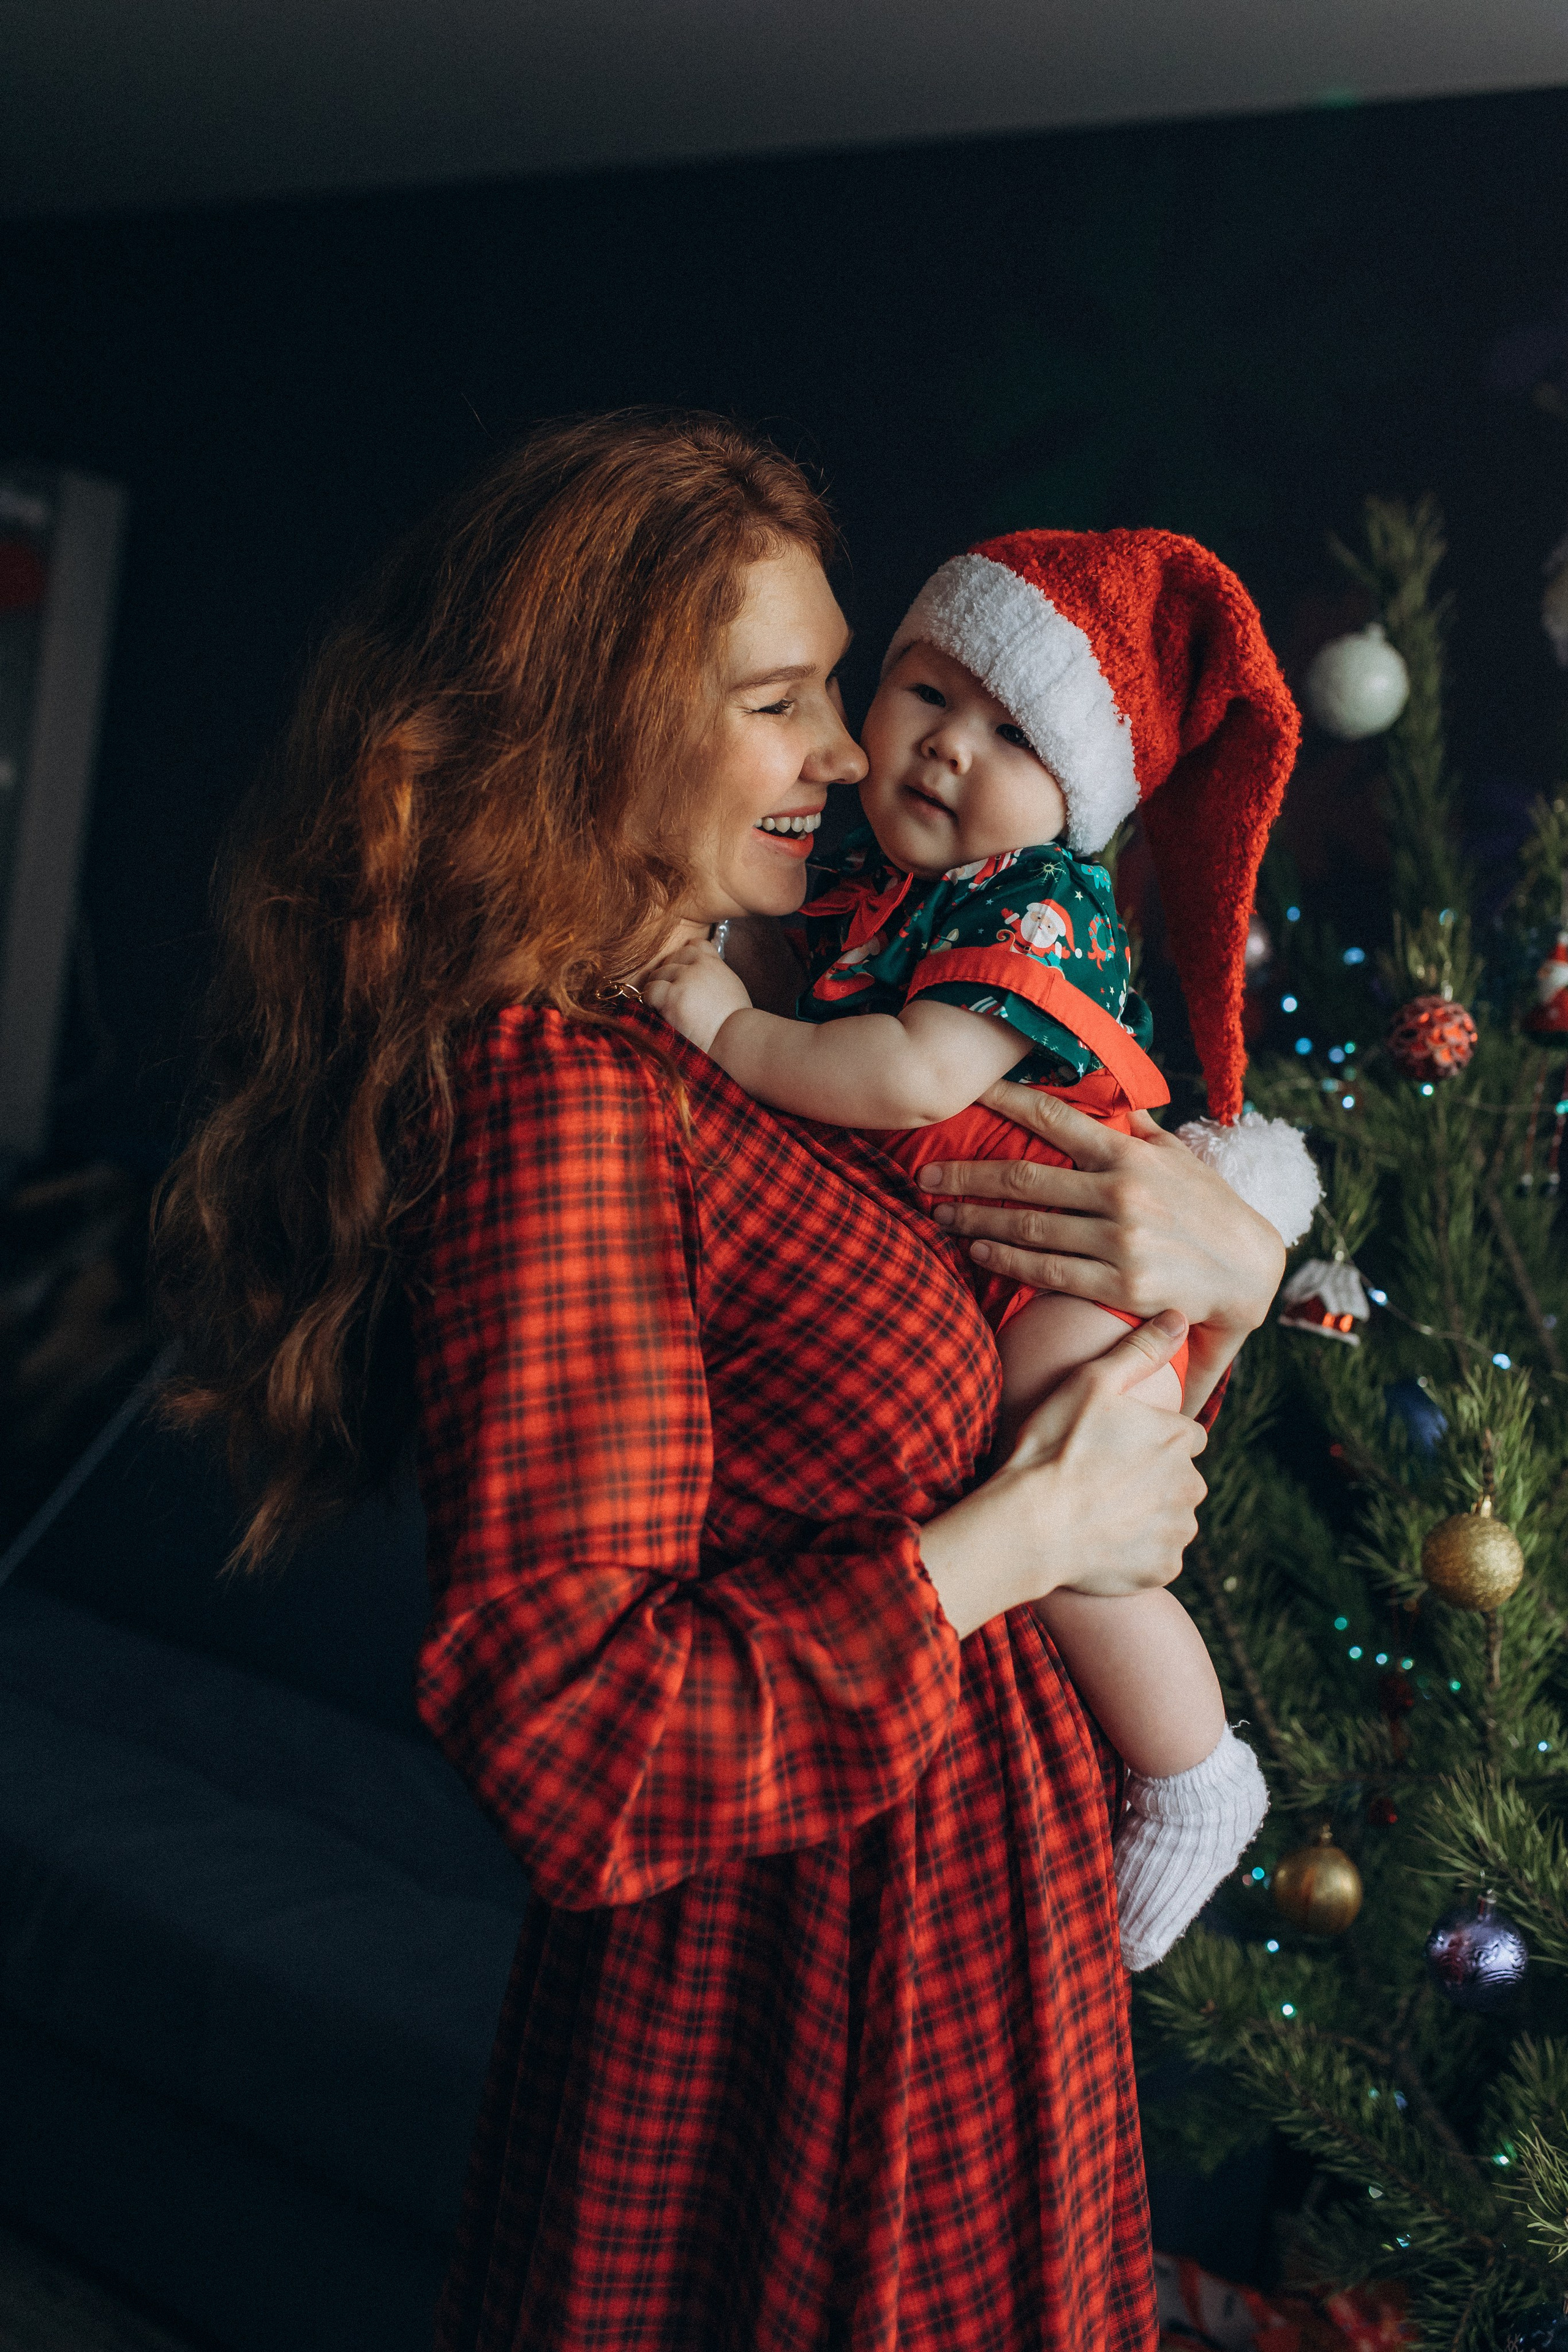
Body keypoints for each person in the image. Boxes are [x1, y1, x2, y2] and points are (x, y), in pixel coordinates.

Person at [153, 413, 1287, 2352]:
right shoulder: (561, 1101)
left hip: (976, 1963)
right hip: (801, 2031)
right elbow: (573, 1740)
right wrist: (1014, 1545)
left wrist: (1231, 1274)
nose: (855, 752)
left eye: (845, 686)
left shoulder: (783, 1025)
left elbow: (1054, 1410)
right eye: (784, 699)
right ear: (592, 730)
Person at [645, 529, 1322, 1967]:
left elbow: (898, 1080)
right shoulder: (873, 884)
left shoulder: (1036, 902)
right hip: (1008, 1253)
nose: (948, 748)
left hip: (1071, 1263)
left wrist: (723, 1025)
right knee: (1049, 1492)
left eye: (1011, 732)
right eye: (923, 693)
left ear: (1077, 796)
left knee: (1069, 1506)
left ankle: (1196, 1769)